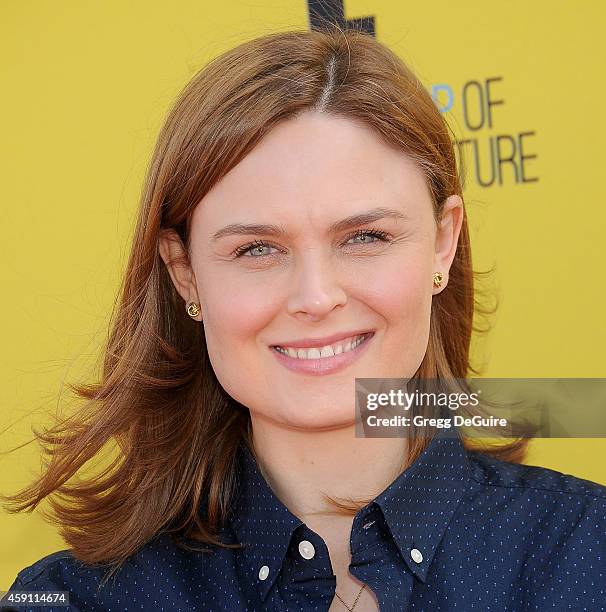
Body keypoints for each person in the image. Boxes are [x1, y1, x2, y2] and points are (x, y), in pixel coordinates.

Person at [3, 25, 606, 612]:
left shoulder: (587, 550)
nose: (316, 298)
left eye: (365, 236)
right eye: (257, 249)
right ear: (185, 272)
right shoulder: (75, 599)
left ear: (443, 243)